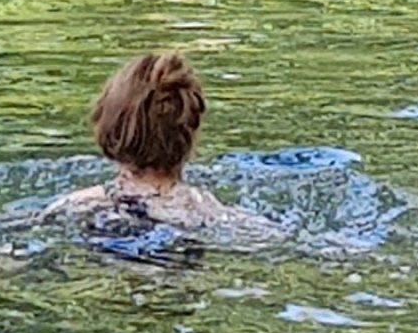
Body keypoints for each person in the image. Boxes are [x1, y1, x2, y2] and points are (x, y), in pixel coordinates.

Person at [41, 51, 270, 236]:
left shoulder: (77, 205)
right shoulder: (208, 211)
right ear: (190, 133)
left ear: (109, 127)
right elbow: (268, 237)